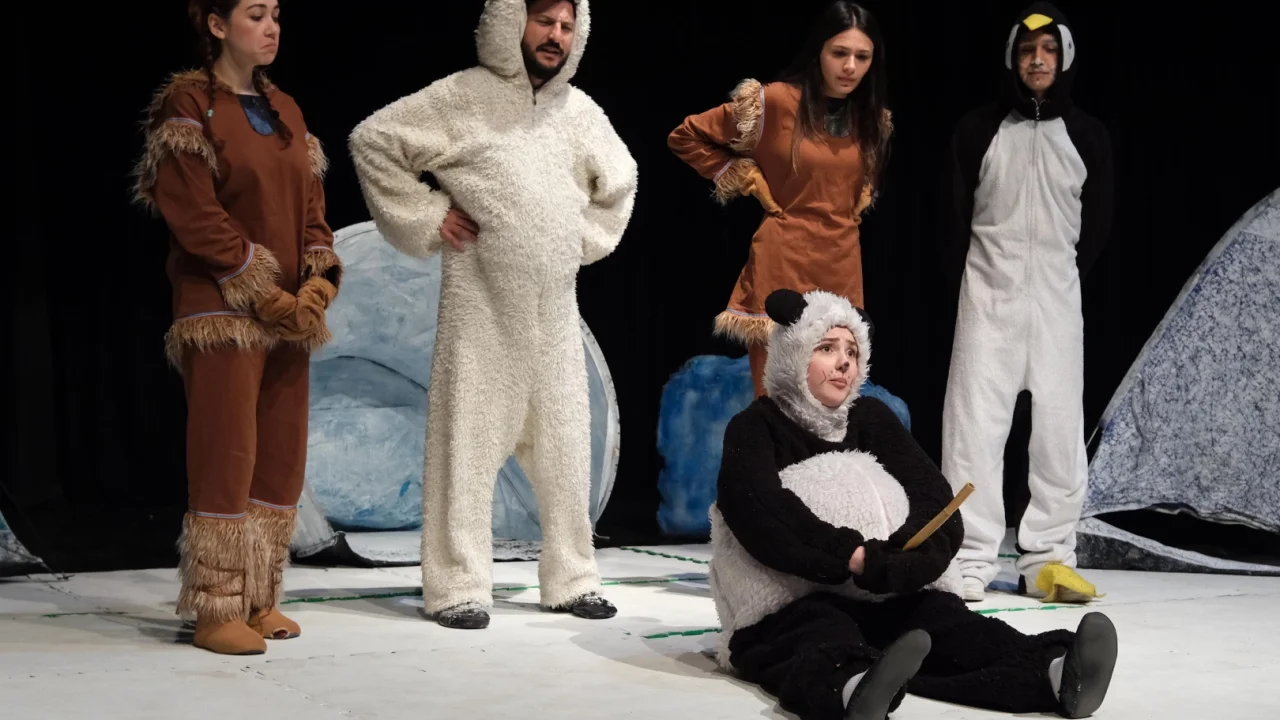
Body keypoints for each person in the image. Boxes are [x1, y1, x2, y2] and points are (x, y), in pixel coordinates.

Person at [348, 0, 637, 631]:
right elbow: (375, 140)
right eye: (544, 21)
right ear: (512, 21)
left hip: (555, 316)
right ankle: (457, 587)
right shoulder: (464, 97)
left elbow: (622, 180)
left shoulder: (579, 112)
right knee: (466, 448)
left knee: (566, 451)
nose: (555, 35)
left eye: (567, 26)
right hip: (481, 310)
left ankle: (572, 579)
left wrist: (581, 239)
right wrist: (428, 216)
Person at [708, 287, 1119, 720]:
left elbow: (931, 496)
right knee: (814, 634)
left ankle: (1056, 674)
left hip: (878, 595)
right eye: (826, 348)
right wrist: (850, 556)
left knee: (948, 624)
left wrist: (908, 561)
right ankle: (853, 690)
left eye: (852, 351)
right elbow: (759, 509)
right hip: (793, 603)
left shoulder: (870, 418)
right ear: (793, 352)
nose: (844, 362)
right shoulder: (756, 426)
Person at [131, 0, 341, 655]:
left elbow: (313, 213)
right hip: (223, 308)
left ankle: (258, 596)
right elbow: (194, 213)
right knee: (227, 455)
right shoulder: (191, 105)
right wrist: (259, 286)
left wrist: (315, 284)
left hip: (288, 314)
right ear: (218, 25)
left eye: (276, 14)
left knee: (280, 457)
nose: (272, 27)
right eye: (255, 14)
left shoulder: (288, 111)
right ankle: (215, 606)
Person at [940, 2, 1114, 603]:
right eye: (1026, 50)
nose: (1038, 60)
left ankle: (1048, 560)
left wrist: (1058, 279)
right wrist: (982, 283)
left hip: (1058, 301)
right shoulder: (978, 130)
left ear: (1064, 58)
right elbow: (954, 218)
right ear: (1012, 58)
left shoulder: (1088, 136)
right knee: (973, 430)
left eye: (1049, 50)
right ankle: (968, 556)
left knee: (1060, 433)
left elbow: (1096, 227)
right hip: (988, 297)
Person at [668, 1, 892, 400]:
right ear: (819, 52)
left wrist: (860, 193)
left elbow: (859, 179)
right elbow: (686, 136)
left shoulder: (872, 120)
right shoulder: (774, 102)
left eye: (862, 57)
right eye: (840, 53)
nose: (850, 67)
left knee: (833, 406)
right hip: (784, 260)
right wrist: (743, 176)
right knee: (777, 402)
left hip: (842, 266)